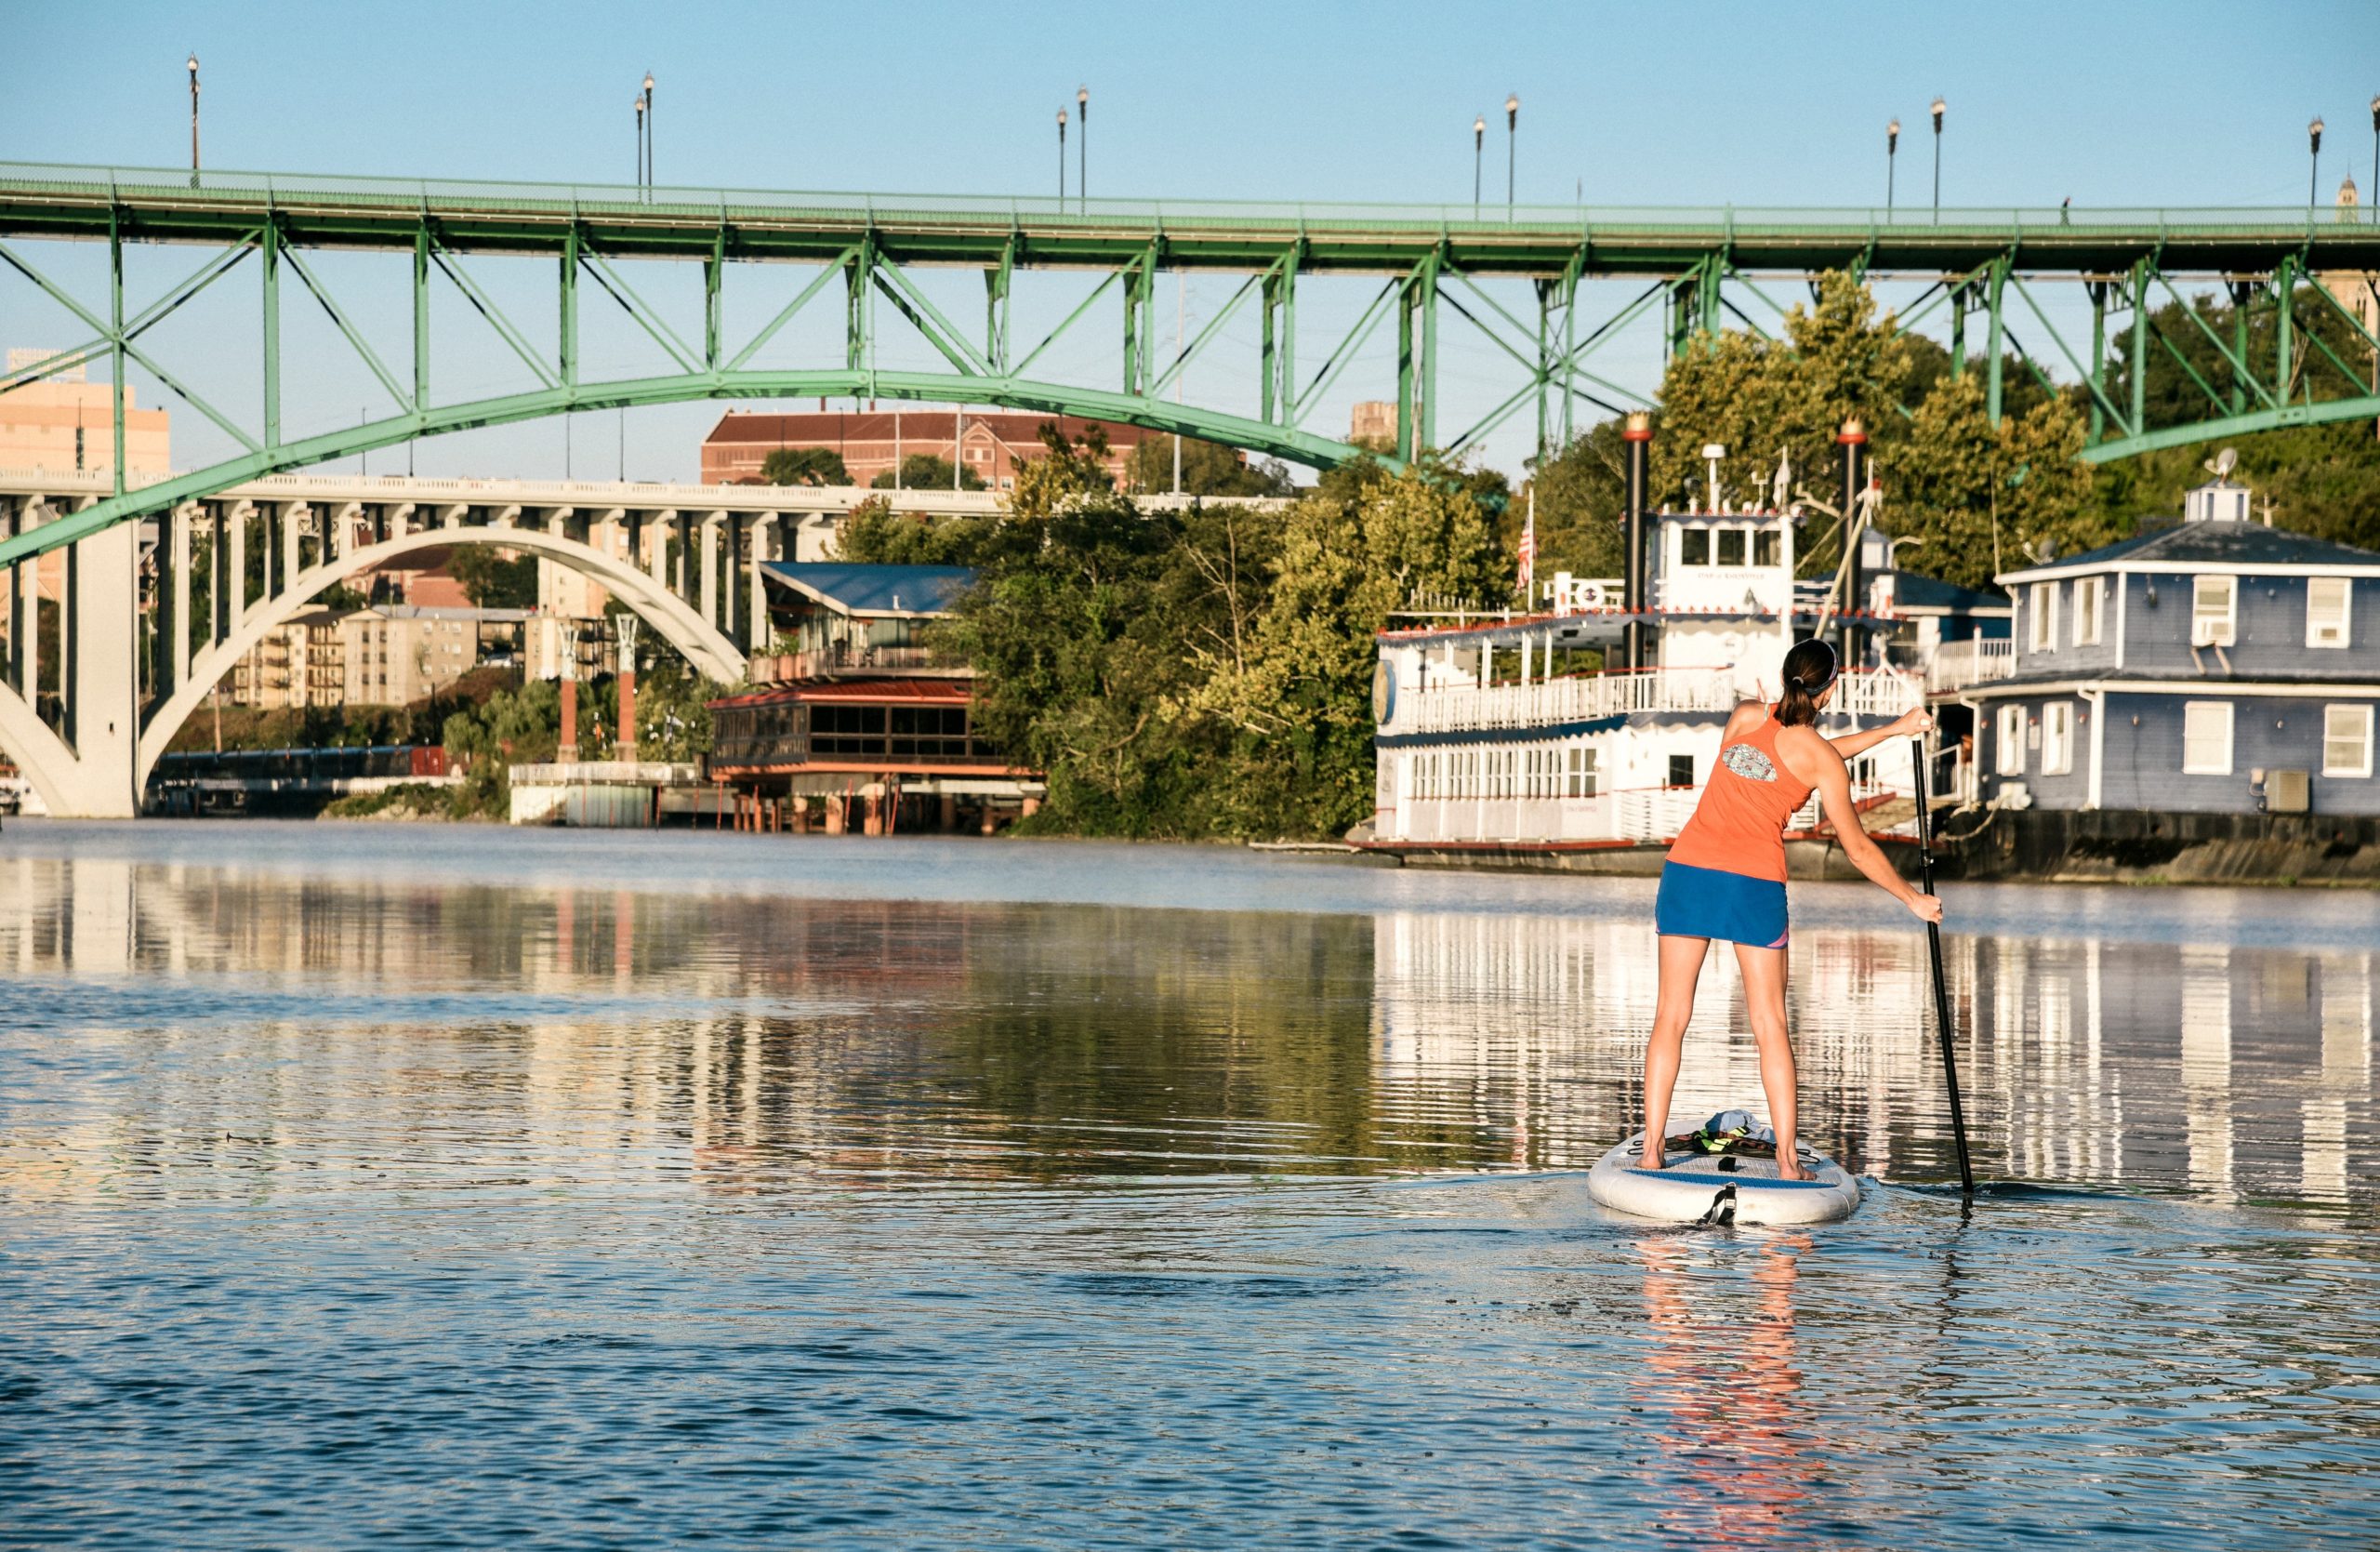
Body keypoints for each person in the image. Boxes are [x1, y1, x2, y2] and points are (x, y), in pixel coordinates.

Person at [1636, 639, 1941, 1180]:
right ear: (1833, 687)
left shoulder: (1744, 718)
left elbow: (1794, 750)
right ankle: (1785, 1159)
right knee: (1770, 1023)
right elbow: (1858, 846)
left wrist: (1894, 729)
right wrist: (1911, 897)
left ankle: (1653, 1150)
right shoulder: (1823, 761)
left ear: (1786, 679)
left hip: (1687, 873)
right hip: (1752, 884)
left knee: (1670, 1016)